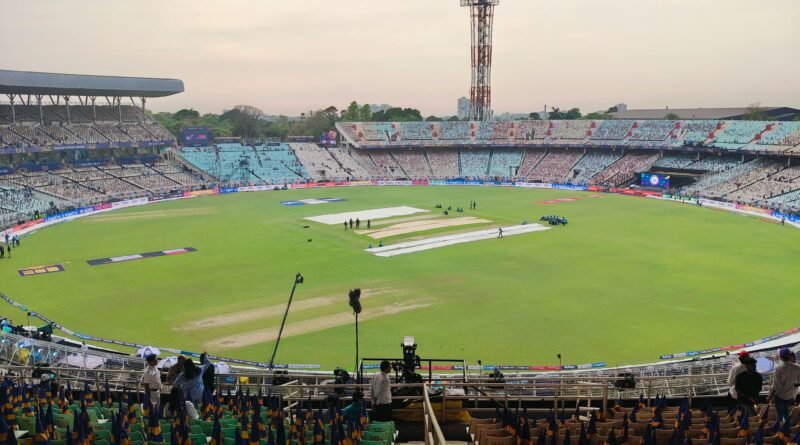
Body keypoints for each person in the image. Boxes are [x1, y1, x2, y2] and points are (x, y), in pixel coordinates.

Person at [770, 348, 800, 426]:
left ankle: (780, 433)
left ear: (781, 357)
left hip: (780, 396)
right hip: (791, 396)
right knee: (787, 415)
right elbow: (799, 382)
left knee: (779, 417)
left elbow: (776, 386)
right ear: (789, 356)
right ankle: (787, 430)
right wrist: (792, 385)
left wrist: (770, 396)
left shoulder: (778, 368)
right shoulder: (797, 367)